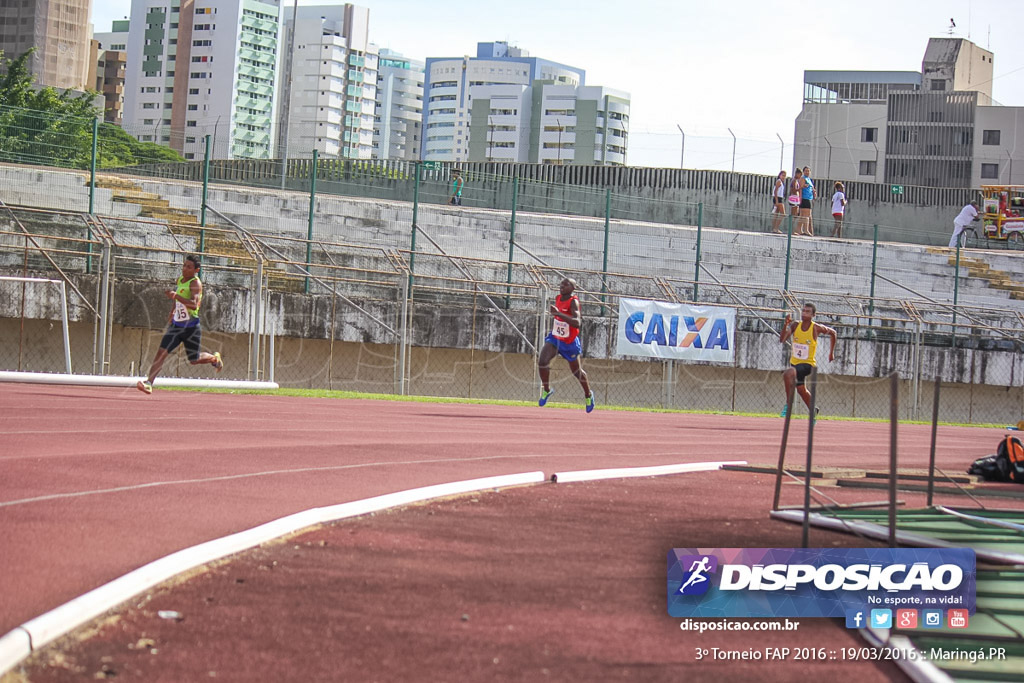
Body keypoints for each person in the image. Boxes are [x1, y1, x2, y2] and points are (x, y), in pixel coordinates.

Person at [137, 254, 223, 394]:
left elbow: (194, 305)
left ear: (196, 270)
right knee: (161, 353)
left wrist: (175, 296)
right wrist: (173, 311)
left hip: (191, 328)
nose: (184, 269)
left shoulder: (196, 283)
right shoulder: (181, 280)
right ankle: (149, 383)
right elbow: (178, 299)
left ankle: (214, 358)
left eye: (189, 267)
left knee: (193, 360)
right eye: (184, 266)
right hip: (176, 326)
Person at [538, 278, 595, 413]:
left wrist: (558, 314)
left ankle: (588, 395)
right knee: (542, 362)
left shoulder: (573, 302)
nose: (562, 285)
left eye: (566, 284)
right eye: (561, 283)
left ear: (573, 288)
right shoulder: (558, 298)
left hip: (569, 342)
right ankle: (546, 390)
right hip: (555, 338)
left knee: (577, 372)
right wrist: (558, 314)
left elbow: (577, 322)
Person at [779, 303, 837, 420]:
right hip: (795, 362)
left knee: (788, 374)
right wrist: (785, 324)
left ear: (813, 315)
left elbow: (833, 333)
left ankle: (788, 405)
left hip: (808, 364)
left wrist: (831, 352)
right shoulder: (795, 325)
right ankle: (813, 410)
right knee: (801, 390)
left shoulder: (816, 328)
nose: (804, 313)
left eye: (807, 311)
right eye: (803, 311)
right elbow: (782, 339)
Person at [799, 166, 816, 236]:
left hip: (809, 197)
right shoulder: (803, 178)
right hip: (805, 198)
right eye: (806, 171)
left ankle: (799, 229)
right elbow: (800, 187)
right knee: (806, 215)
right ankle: (805, 230)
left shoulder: (809, 179)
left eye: (808, 171)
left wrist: (814, 192)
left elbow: (811, 188)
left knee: (804, 215)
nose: (807, 172)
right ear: (803, 172)